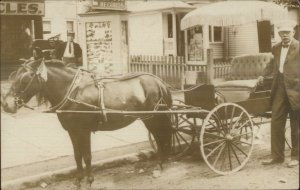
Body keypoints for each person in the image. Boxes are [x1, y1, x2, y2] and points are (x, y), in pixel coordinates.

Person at [258, 20, 299, 168]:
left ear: (293, 32)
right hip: (280, 88)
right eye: (282, 33)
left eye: (288, 32)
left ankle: (296, 157)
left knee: (296, 124)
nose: (285, 35)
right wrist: (263, 75)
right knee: (276, 121)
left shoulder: (299, 47)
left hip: (297, 89)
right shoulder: (275, 48)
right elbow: (271, 64)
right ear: (279, 34)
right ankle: (277, 156)